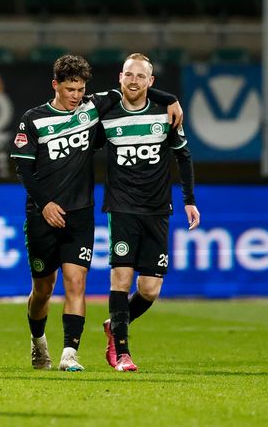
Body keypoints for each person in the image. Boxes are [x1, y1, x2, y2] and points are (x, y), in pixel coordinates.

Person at [11, 54, 182, 372]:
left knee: (76, 283)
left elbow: (132, 89)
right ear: (55, 85)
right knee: (43, 289)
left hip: (80, 213)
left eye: (80, 89)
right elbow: (23, 169)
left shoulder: (92, 108)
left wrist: (169, 99)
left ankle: (69, 354)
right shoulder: (33, 119)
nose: (76, 96)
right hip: (41, 215)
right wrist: (45, 204)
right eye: (70, 89)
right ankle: (38, 340)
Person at [100, 53, 200, 372]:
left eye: (141, 76)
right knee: (121, 277)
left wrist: (189, 200)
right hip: (122, 206)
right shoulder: (106, 113)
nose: (134, 81)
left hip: (157, 209)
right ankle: (123, 352)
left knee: (149, 289)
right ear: (120, 77)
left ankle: (115, 324)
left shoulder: (164, 113)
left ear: (150, 81)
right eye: (129, 74)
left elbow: (183, 157)